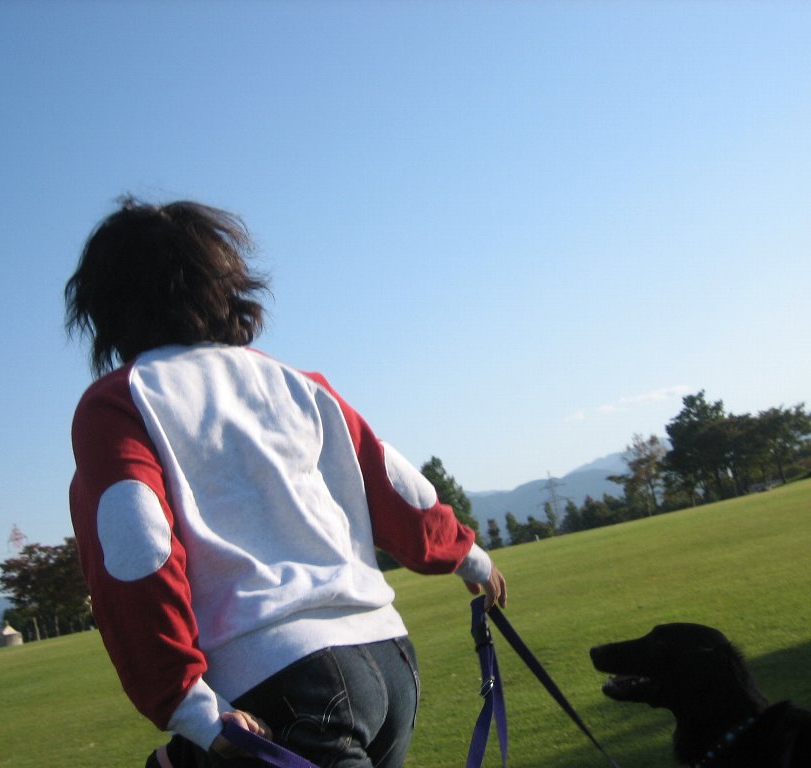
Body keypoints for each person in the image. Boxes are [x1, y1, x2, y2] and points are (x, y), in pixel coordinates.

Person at [65, 197, 508, 768]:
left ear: (104, 305)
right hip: (390, 661)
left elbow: (137, 545)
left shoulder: (120, 402)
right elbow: (393, 484)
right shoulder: (300, 383)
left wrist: (184, 702)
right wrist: (469, 556)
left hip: (282, 686)